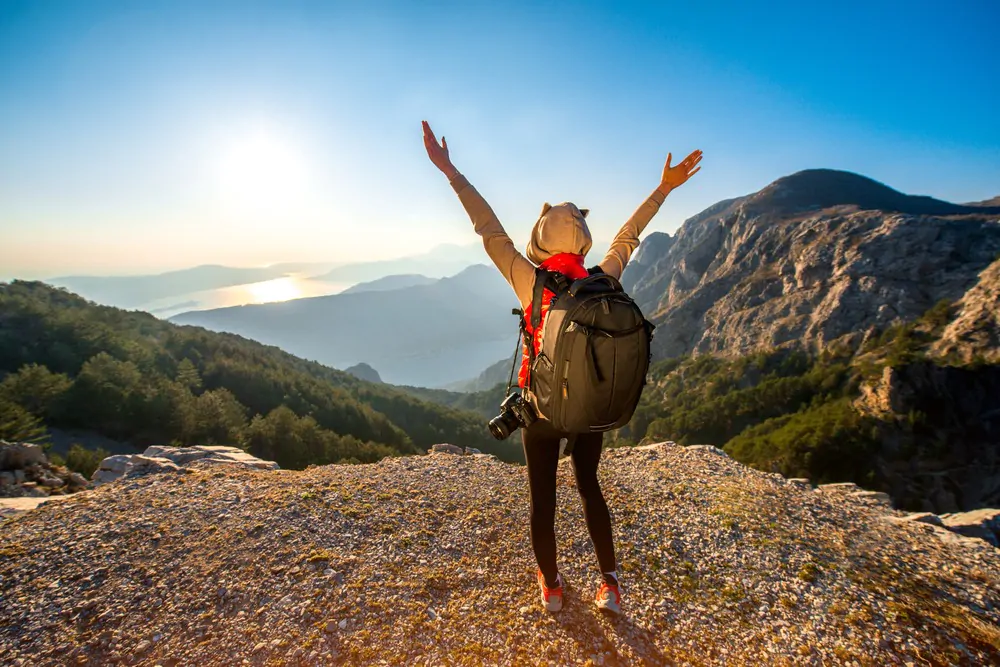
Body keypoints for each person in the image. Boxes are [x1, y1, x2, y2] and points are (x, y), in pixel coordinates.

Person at [422, 120, 702, 615]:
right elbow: (628, 238)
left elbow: (488, 228)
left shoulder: (530, 282)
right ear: (581, 244)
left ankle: (552, 587)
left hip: (543, 409)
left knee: (543, 498)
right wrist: (663, 188)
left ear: (541, 243)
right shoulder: (601, 279)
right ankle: (610, 585)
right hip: (591, 402)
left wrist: (450, 171)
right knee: (590, 485)